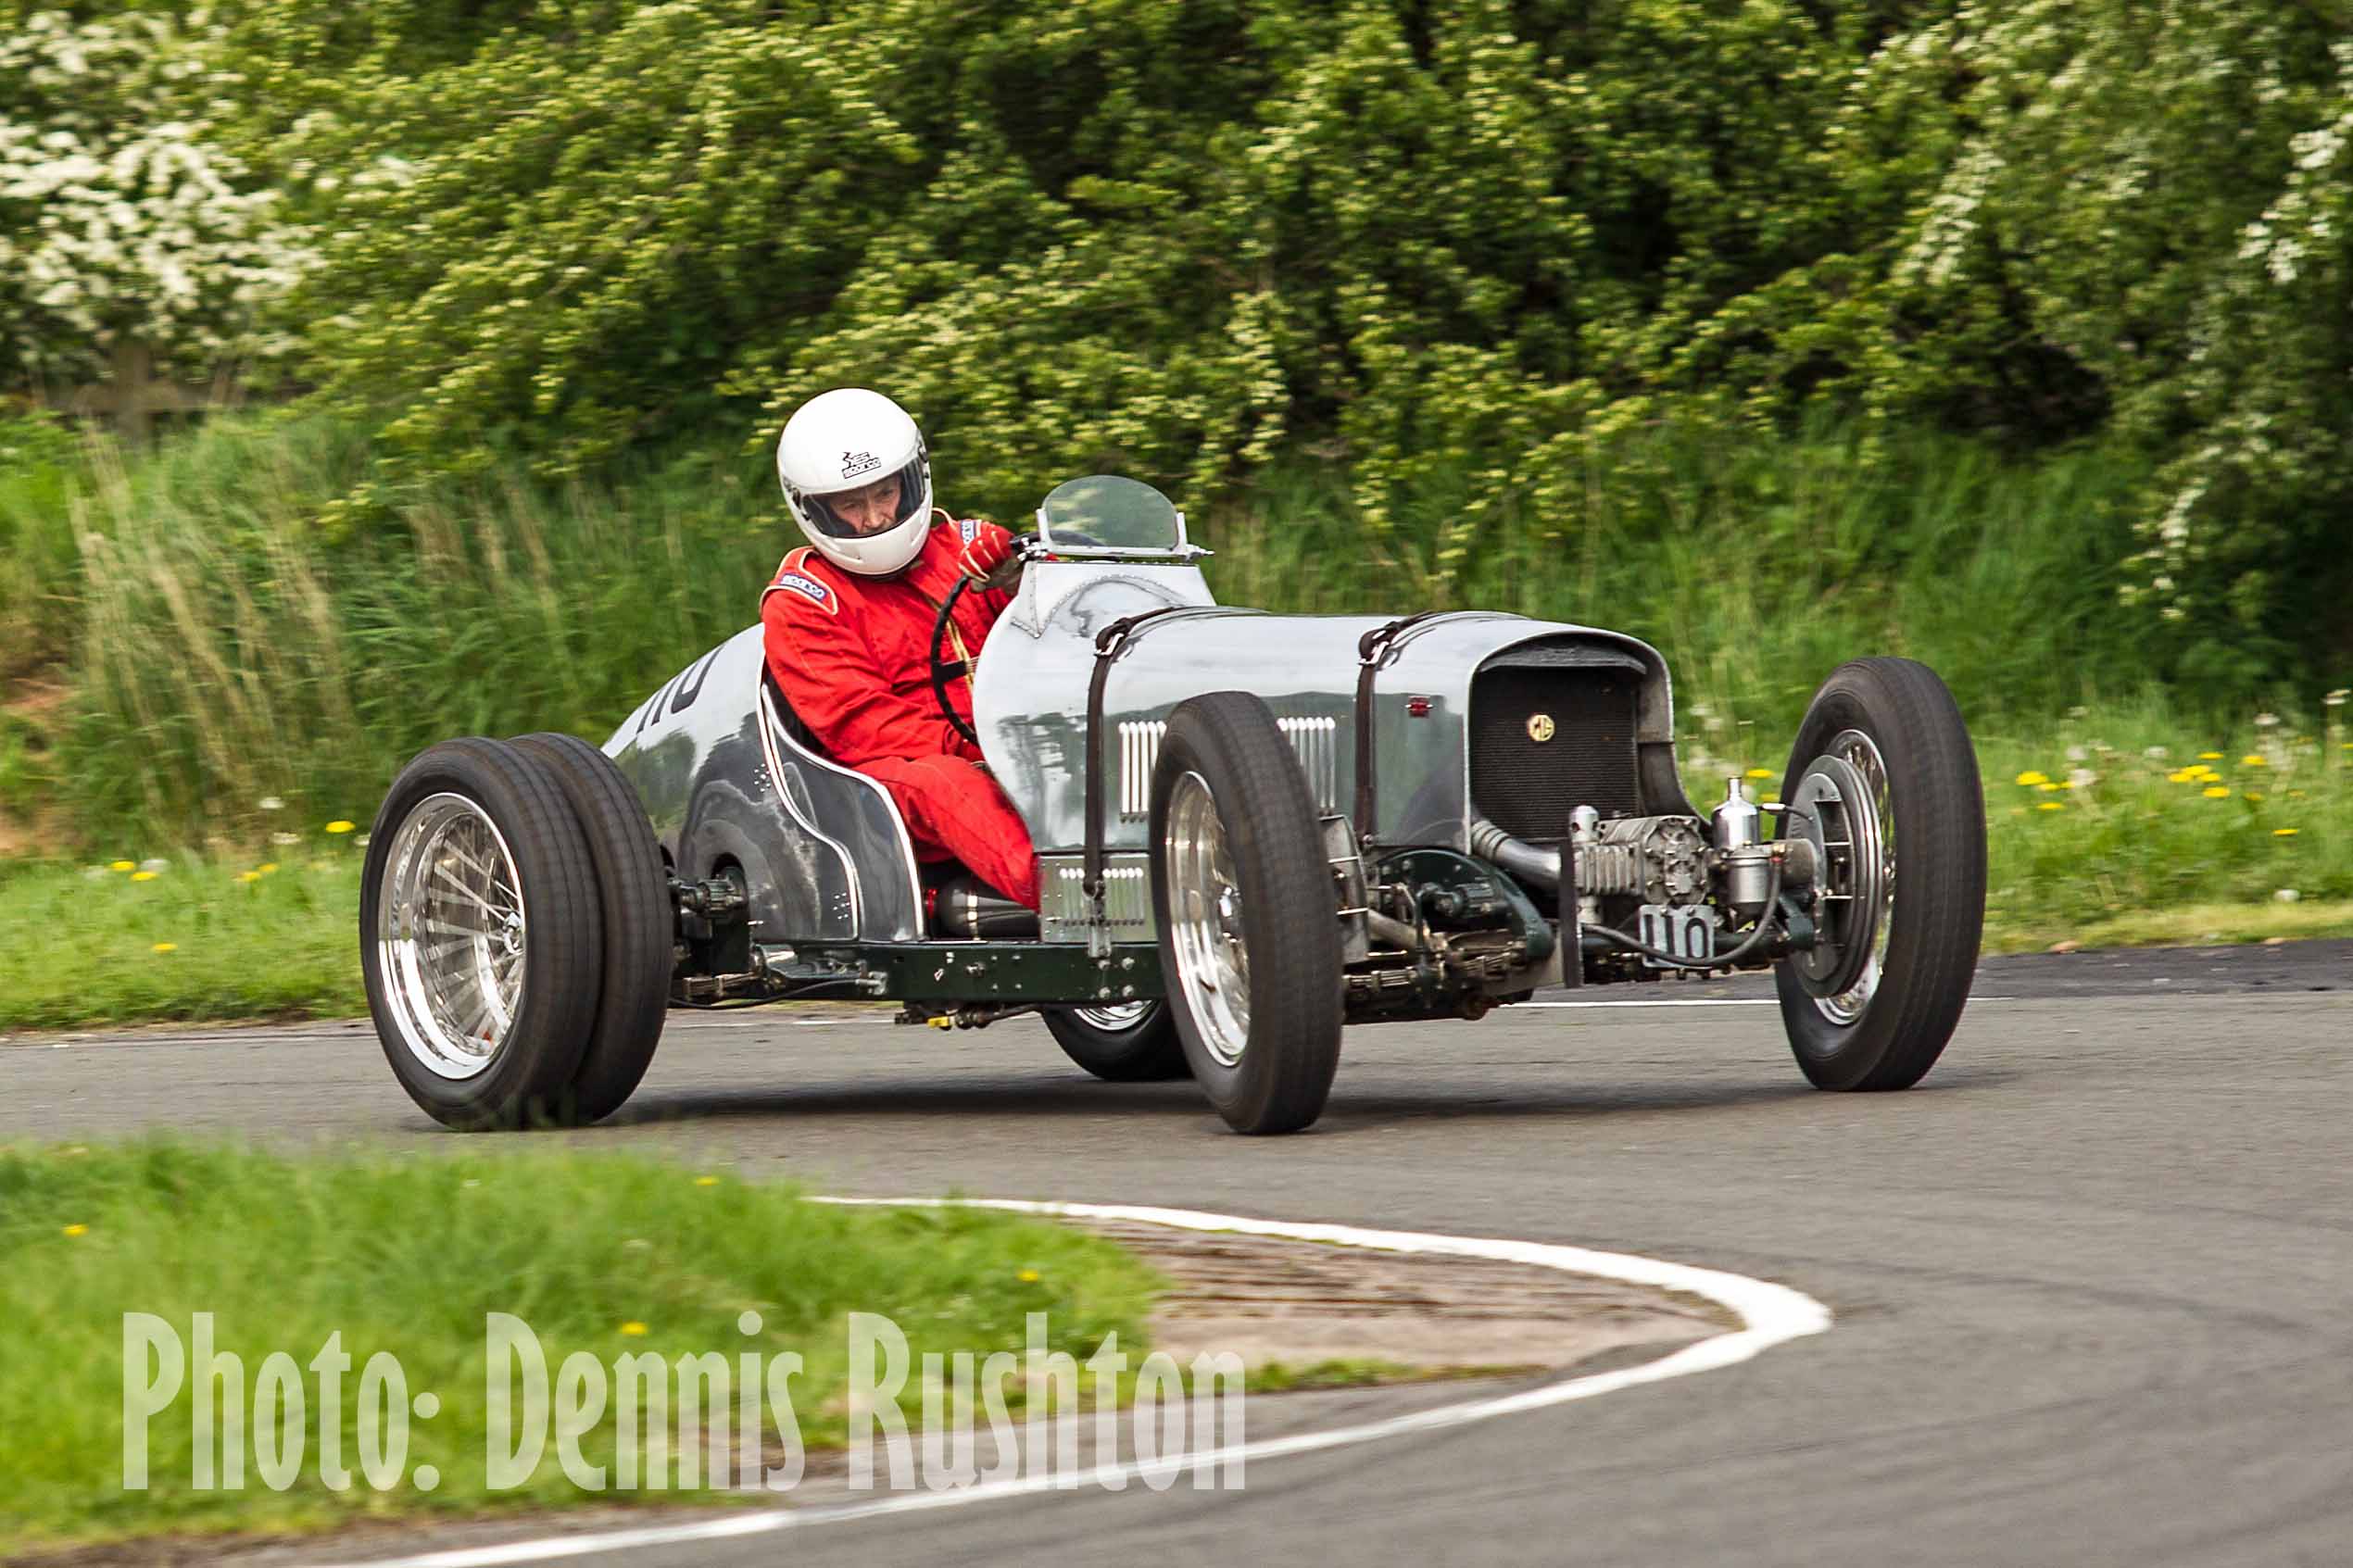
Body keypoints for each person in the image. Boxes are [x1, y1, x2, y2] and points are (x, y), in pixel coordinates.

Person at [759, 387, 1040, 909]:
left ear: (912, 480)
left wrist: (1027, 575)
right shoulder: (803, 604)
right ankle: (1074, 898)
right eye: (850, 505)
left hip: (1010, 740)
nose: (874, 520)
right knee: (944, 783)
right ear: (813, 510)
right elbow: (864, 728)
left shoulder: (967, 549)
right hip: (889, 776)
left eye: (884, 494)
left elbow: (1071, 630)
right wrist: (984, 751)